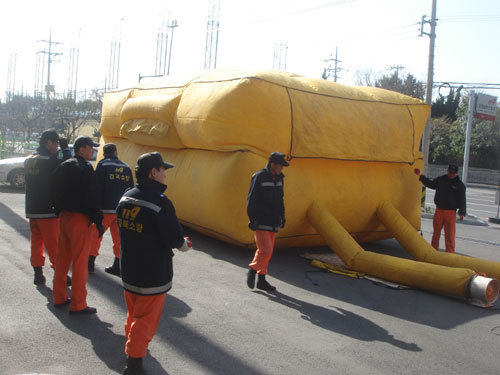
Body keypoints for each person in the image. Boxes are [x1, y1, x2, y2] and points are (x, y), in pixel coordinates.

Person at [117, 152, 192, 375]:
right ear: (153, 172)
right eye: (163, 170)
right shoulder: (160, 203)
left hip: (129, 268)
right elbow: (175, 238)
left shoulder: (126, 196)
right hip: (152, 272)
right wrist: (185, 244)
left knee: (133, 314)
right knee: (145, 320)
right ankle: (134, 363)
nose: (164, 175)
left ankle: (132, 348)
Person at [52, 136, 104, 314]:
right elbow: (92, 196)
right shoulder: (86, 168)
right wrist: (98, 219)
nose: (93, 151)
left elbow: (54, 189)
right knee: (80, 262)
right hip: (80, 219)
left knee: (62, 259)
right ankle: (78, 303)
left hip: (64, 217)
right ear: (81, 149)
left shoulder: (65, 165)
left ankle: (59, 297)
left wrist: (57, 210)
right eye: (90, 148)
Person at [24, 129, 71, 285]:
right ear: (48, 143)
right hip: (48, 209)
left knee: (36, 243)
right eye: (56, 142)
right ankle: (61, 274)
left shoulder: (29, 160)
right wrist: (66, 150)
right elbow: (69, 167)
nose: (57, 145)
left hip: (32, 209)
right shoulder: (50, 161)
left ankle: (38, 273)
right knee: (54, 245)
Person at [88, 143, 134, 276]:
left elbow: (96, 187)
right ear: (116, 152)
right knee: (119, 239)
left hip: (105, 209)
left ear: (104, 153)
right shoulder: (126, 167)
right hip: (121, 210)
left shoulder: (102, 165)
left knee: (96, 235)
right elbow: (131, 188)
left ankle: (90, 263)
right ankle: (118, 265)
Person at [246, 151, 289, 292]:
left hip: (274, 220)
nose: (282, 168)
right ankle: (252, 271)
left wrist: (282, 216)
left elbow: (280, 200)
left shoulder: (280, 179)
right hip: (261, 220)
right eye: (280, 165)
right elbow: (251, 199)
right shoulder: (259, 177)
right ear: (273, 164)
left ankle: (262, 280)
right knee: (266, 250)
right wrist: (252, 219)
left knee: (266, 252)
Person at [415, 163, 466, 253]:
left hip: (451, 213)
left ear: (457, 173)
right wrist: (421, 176)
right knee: (436, 234)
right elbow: (430, 184)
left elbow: (462, 199)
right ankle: (433, 252)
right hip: (439, 211)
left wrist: (462, 212)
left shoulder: (459, 185)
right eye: (450, 172)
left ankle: (450, 255)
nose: (451, 174)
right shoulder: (441, 180)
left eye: (453, 173)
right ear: (447, 171)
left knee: (450, 236)